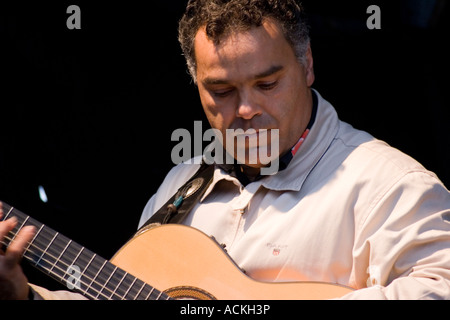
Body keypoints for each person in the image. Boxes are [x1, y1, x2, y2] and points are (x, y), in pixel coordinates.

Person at [1, 0, 450, 300]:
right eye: (221, 89)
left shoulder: (391, 185)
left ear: (308, 64)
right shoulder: (184, 182)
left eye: (267, 84)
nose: (247, 108)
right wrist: (23, 294)